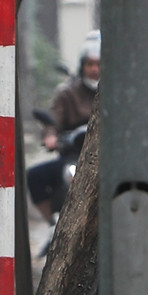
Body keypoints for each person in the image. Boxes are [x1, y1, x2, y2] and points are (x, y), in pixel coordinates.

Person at [27, 32, 101, 222]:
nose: (94, 69)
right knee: (34, 176)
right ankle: (52, 223)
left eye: (99, 64)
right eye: (90, 64)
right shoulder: (68, 93)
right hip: (73, 156)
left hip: (108, 158)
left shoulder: (115, 91)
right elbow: (53, 120)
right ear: (82, 66)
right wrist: (50, 136)